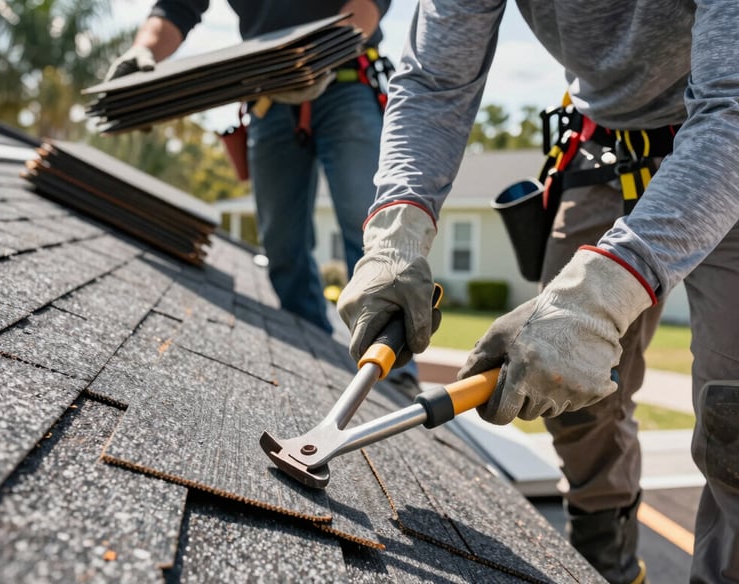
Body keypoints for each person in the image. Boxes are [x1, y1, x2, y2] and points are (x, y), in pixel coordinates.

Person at [337, 2, 739, 583]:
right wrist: (394, 233)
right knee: (567, 389)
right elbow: (434, 78)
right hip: (605, 146)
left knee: (734, 421)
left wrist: (599, 296)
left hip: (726, 151)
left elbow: (732, 109)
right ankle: (608, 564)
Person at [105, 0, 423, 394]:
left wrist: (322, 51)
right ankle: (317, 362)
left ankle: (393, 367)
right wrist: (146, 52)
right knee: (282, 245)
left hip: (346, 77)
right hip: (269, 97)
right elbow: (178, 6)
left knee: (370, 230)